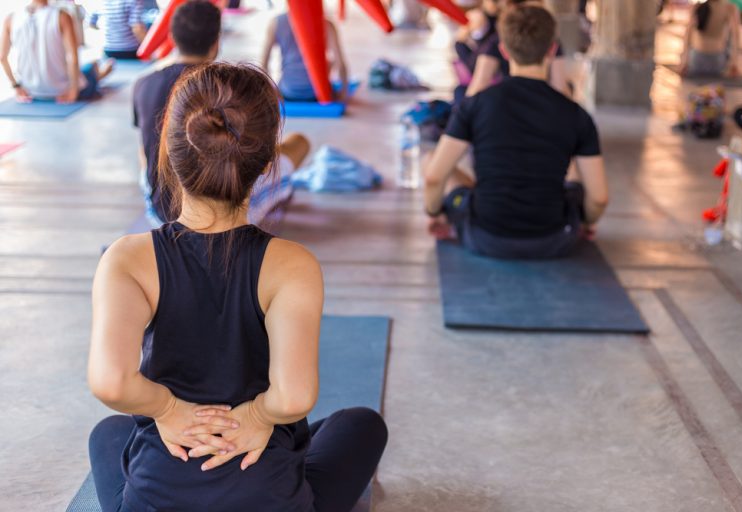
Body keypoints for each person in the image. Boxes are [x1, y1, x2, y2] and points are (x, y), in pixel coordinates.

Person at [88, 62, 388, 512]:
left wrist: (170, 411)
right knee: (363, 425)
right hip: (265, 496)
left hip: (160, 494)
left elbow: (112, 383)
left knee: (108, 434)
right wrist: (256, 416)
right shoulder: (292, 265)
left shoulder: (126, 259)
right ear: (268, 163)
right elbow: (291, 397)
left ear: (166, 154)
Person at [424, 5, 608, 260]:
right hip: (554, 238)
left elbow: (434, 178)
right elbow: (599, 198)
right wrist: (585, 224)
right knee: (575, 169)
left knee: (431, 161)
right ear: (552, 50)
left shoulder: (475, 105)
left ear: (503, 51)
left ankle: (470, 206)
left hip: (485, 235)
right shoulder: (576, 115)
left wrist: (435, 214)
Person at [134, 1, 309, 224]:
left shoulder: (143, 84)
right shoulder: (229, 86)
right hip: (230, 212)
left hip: (161, 212)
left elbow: (143, 152)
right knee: (298, 143)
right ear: (216, 43)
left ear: (173, 38)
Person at [0, 0, 113, 103]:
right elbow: (73, 57)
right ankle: (101, 73)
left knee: (88, 66)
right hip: (61, 91)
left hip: (31, 91)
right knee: (91, 67)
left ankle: (98, 71)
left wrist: (16, 86)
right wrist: (73, 90)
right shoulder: (62, 16)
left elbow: (2, 57)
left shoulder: (10, 19)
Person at [464, 0, 568, 98]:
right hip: (544, 102)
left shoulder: (498, 41)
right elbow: (560, 88)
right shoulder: (496, 41)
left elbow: (478, 86)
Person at [261, 12, 349, 102]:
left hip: (288, 92)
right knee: (330, 62)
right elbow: (340, 63)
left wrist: (271, 92)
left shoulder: (276, 23)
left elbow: (264, 64)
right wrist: (343, 93)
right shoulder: (326, 24)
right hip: (318, 94)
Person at [680, 0, 741, 78]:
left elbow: (687, 35)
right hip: (718, 61)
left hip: (696, 60)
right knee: (728, 41)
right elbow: (736, 35)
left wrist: (684, 62)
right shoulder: (729, 8)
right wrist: (734, 63)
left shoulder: (697, 7)